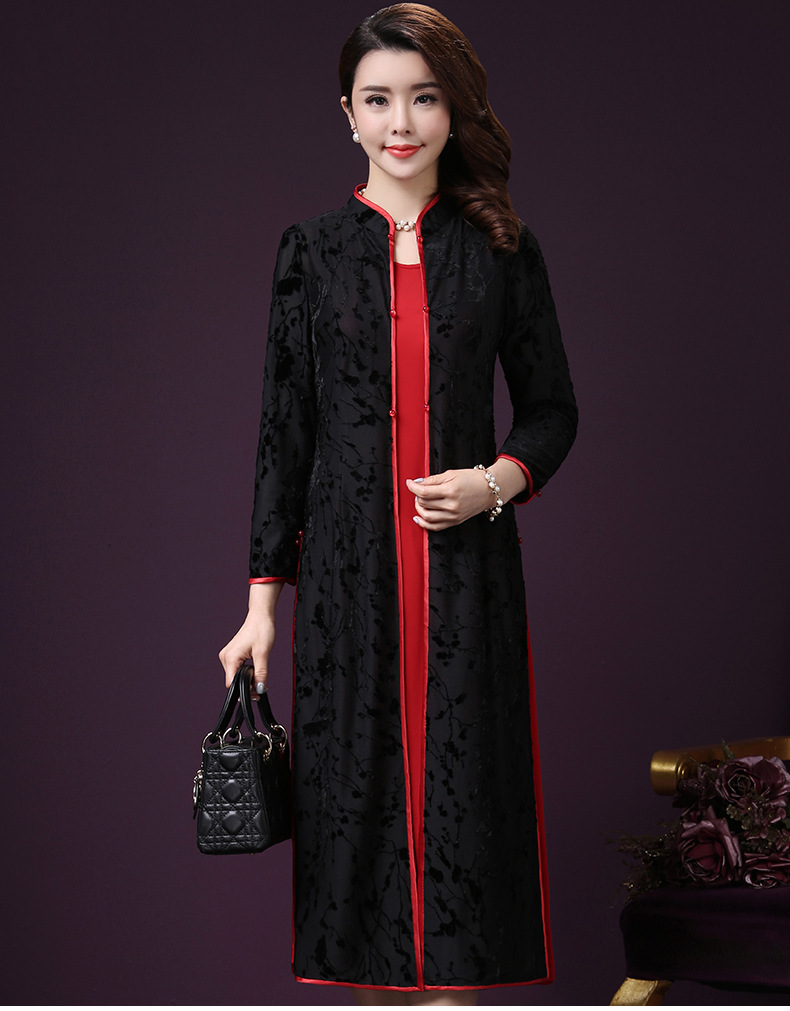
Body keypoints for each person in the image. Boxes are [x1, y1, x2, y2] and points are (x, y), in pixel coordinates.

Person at [219, 4, 577, 1005]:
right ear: (347, 113)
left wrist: (494, 482)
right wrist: (260, 610)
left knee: (466, 835)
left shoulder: (504, 248)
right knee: (357, 840)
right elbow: (282, 436)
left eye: (424, 98)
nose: (402, 122)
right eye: (378, 100)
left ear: (454, 111)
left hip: (468, 586)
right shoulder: (310, 251)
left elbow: (552, 410)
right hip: (348, 590)